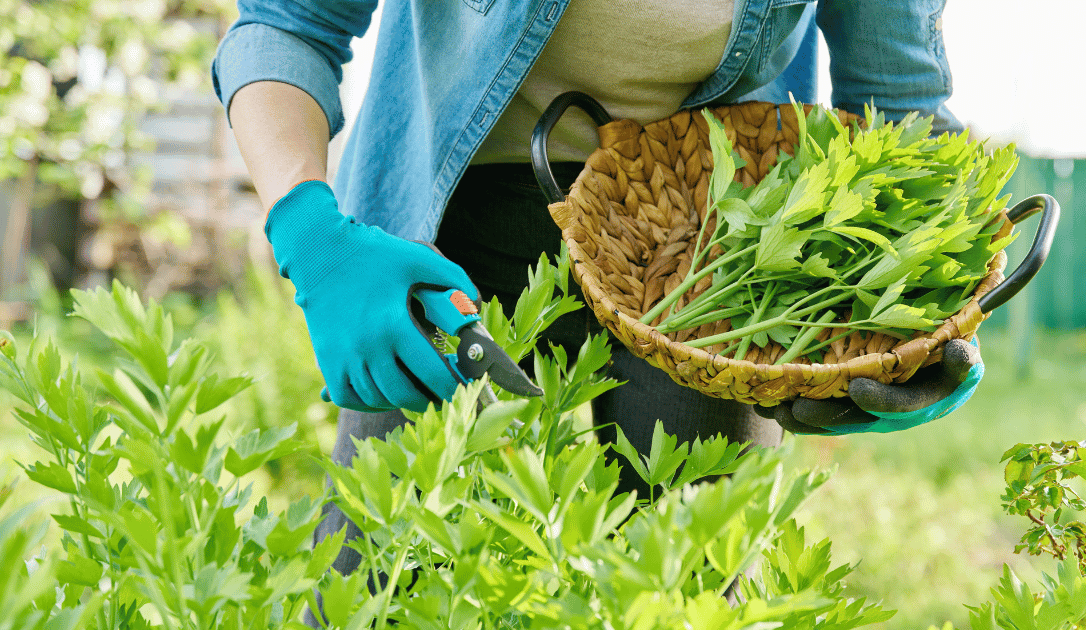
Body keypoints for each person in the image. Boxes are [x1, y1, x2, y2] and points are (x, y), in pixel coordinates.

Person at [211, 0, 984, 615]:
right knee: (376, 582)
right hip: (446, 224)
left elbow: (900, 105)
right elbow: (285, 24)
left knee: (689, 595)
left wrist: (931, 320)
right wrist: (312, 235)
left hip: (719, 251)